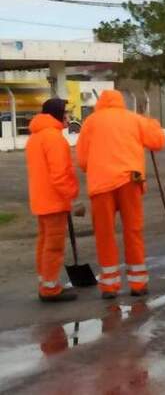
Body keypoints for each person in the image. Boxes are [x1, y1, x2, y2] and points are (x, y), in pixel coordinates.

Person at [77, 90, 165, 299]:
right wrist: (151, 123)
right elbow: (158, 142)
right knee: (133, 231)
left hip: (101, 186)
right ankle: (138, 284)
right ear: (121, 102)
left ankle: (109, 286)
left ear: (100, 104)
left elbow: (82, 161)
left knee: (105, 234)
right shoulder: (134, 119)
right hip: (130, 181)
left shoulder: (91, 122)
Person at [26, 98, 79, 302]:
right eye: (65, 112)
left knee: (44, 242)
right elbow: (60, 174)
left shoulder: (36, 137)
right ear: (57, 114)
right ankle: (50, 288)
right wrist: (71, 194)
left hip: (41, 199)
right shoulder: (53, 138)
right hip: (54, 200)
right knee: (54, 245)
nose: (67, 116)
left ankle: (46, 281)